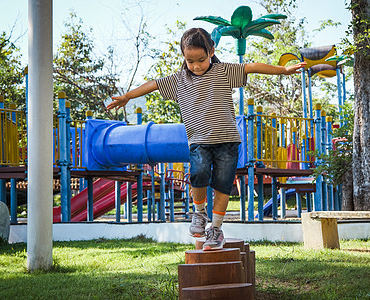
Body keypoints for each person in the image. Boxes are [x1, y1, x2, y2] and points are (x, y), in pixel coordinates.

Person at [107, 27, 306, 251]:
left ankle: (216, 229)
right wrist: (127, 96)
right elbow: (152, 85)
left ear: (212, 51)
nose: (196, 66)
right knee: (199, 174)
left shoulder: (223, 71)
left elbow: (252, 67)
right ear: (184, 57)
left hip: (228, 140)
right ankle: (199, 214)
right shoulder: (179, 80)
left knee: (222, 185)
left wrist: (284, 70)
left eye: (200, 60)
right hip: (199, 140)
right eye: (190, 61)